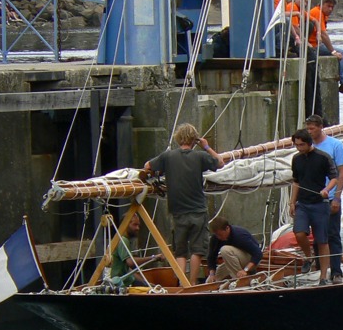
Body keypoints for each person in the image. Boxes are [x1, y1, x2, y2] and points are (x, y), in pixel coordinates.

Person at [143, 123, 224, 286]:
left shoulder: (168, 157)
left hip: (177, 211)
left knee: (180, 251)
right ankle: (192, 283)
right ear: (194, 140)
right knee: (197, 250)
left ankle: (181, 283)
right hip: (198, 211)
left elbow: (147, 166)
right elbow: (220, 162)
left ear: (178, 138)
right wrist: (206, 146)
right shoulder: (200, 156)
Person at [289, 128, 338, 285]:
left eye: (302, 145)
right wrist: (292, 202)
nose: (299, 148)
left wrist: (326, 190)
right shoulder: (296, 159)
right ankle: (309, 257)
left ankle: (323, 276)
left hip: (319, 204)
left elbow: (334, 178)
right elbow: (296, 181)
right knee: (299, 232)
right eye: (296, 145)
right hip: (302, 203)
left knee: (322, 241)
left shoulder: (323, 157)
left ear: (309, 143)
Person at [305, 114, 343, 284]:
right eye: (307, 128)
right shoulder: (307, 147)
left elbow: (341, 171)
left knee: (332, 234)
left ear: (320, 127)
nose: (310, 131)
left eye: (312, 128)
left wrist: (337, 197)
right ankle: (320, 269)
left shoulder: (335, 145)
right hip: (312, 198)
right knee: (317, 236)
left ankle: (336, 271)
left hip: (329, 197)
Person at [110, 214, 162, 287]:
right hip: (120, 284)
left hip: (127, 281)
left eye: (138, 225)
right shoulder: (123, 240)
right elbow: (131, 262)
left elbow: (128, 270)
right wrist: (154, 258)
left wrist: (146, 283)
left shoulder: (122, 239)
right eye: (134, 225)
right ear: (125, 224)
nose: (137, 228)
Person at [206, 217, 264, 282]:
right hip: (233, 261)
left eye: (220, 235)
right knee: (209, 282)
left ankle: (240, 280)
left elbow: (258, 253)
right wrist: (212, 274)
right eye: (217, 235)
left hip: (250, 260)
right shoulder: (215, 238)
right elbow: (211, 258)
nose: (219, 237)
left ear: (227, 228)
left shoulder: (240, 235)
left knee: (225, 250)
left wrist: (245, 270)